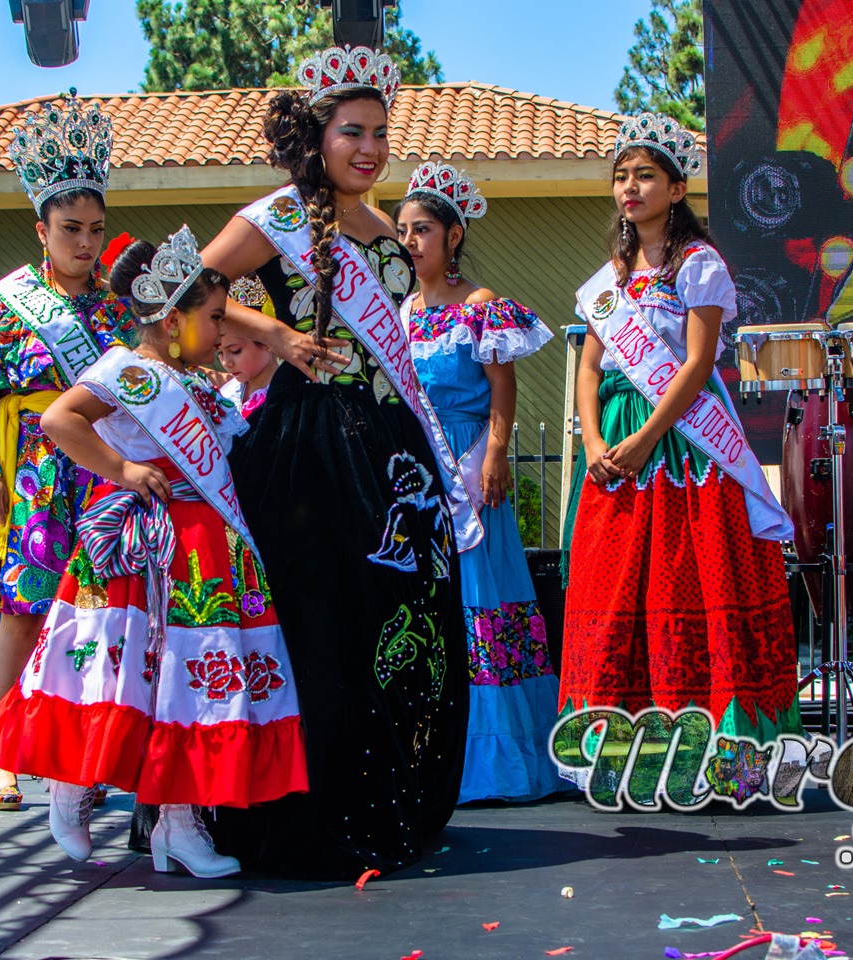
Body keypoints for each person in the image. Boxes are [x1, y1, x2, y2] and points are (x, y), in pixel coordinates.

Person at [193, 45, 469, 880]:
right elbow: (190, 291)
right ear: (317, 136)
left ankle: (382, 796)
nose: (371, 148)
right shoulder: (275, 215)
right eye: (354, 132)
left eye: (382, 134)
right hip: (303, 451)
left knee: (389, 624)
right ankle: (303, 812)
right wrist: (273, 333)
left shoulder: (387, 233)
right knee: (314, 629)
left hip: (385, 449)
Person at [0, 227, 307, 876]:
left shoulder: (200, 383)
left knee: (185, 692)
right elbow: (58, 419)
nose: (220, 332)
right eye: (212, 318)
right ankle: (70, 792)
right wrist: (123, 471)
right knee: (109, 675)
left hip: (204, 552)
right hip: (139, 553)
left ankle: (179, 827)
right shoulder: (125, 370)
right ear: (170, 317)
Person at [560, 113, 803, 746]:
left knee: (690, 576)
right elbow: (588, 367)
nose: (629, 188)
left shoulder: (699, 263)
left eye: (644, 175)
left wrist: (644, 441)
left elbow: (696, 365)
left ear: (675, 188)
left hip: (683, 442)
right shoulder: (607, 279)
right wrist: (592, 441)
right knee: (616, 590)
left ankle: (712, 743)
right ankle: (623, 746)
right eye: (621, 177)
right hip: (614, 435)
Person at [0, 94, 136, 812]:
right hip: (29, 478)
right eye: (70, 229)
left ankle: (79, 758)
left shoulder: (118, 313)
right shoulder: (7, 307)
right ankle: (1, 754)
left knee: (92, 616)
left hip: (97, 474)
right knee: (21, 614)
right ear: (42, 229)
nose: (84, 243)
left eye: (95, 230)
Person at [396, 162, 563, 803]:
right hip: (420, 473)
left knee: (484, 597)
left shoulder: (480, 307)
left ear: (454, 235)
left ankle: (499, 754)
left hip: (469, 467)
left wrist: (495, 454)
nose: (411, 242)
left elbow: (504, 387)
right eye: (404, 230)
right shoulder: (399, 309)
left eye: (424, 229)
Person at [218, 276, 279, 419]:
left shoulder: (289, 391)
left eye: (235, 351)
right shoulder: (227, 394)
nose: (227, 363)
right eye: (220, 353)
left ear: (265, 341)